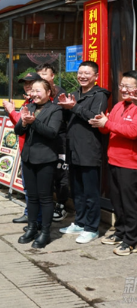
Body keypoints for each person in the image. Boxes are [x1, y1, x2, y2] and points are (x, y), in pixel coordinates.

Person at [58, 61, 109, 244]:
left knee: (90, 191)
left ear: (96, 76)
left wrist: (74, 107)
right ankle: (80, 222)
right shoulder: (75, 94)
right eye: (80, 73)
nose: (83, 76)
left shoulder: (100, 94)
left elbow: (94, 117)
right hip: (73, 149)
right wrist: (64, 108)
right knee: (77, 190)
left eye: (87, 73)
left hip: (89, 150)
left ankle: (92, 228)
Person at [89, 71, 137, 255]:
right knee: (117, 202)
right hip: (114, 160)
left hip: (130, 164)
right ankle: (120, 232)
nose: (124, 89)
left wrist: (107, 124)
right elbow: (109, 130)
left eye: (129, 86)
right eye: (122, 86)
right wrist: (100, 124)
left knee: (129, 203)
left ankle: (131, 240)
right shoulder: (118, 106)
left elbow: (133, 131)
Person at [14, 79, 63, 249]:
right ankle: (32, 227)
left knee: (45, 197)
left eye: (38, 91)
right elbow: (18, 130)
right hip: (28, 157)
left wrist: (33, 121)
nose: (34, 94)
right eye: (32, 91)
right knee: (32, 197)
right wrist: (24, 122)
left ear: (49, 92)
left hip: (45, 159)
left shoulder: (55, 109)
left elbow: (52, 132)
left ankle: (46, 232)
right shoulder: (31, 107)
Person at [3, 73, 42, 227]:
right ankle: (29, 214)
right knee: (28, 186)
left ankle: (36, 219)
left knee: (36, 189)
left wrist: (12, 111)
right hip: (24, 149)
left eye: (30, 83)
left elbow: (25, 121)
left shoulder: (39, 104)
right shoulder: (27, 102)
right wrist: (11, 112)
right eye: (25, 83)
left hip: (35, 151)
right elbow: (19, 125)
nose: (27, 86)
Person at [36, 63, 69, 222]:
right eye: (39, 74)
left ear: (52, 76)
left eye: (44, 74)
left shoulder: (60, 93)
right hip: (43, 139)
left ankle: (62, 205)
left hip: (60, 139)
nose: (41, 77)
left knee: (61, 173)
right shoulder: (36, 93)